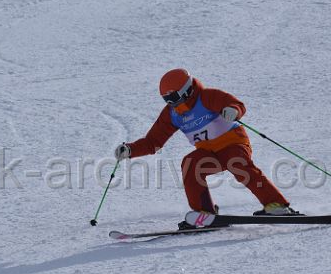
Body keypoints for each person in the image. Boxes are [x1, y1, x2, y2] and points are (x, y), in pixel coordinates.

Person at [114, 69, 296, 229]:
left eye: (173, 98)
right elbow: (153, 141)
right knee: (190, 163)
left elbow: (236, 104)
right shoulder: (172, 113)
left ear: (186, 90)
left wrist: (233, 111)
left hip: (233, 143)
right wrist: (130, 150)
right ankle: (204, 213)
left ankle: (276, 206)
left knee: (237, 164)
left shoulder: (207, 97)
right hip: (209, 153)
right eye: (166, 99)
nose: (171, 103)